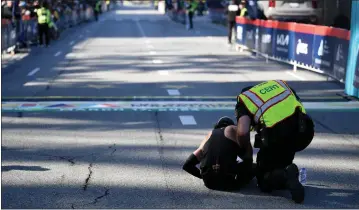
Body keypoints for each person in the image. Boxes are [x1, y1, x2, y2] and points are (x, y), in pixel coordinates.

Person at [234, 80, 314, 203]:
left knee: (264, 182)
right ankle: (286, 170)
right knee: (280, 160)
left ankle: (285, 175)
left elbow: (242, 132)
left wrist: (246, 155)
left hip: (278, 135)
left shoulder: (245, 99)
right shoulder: (279, 84)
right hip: (304, 130)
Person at [183, 116, 256, 191]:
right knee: (254, 167)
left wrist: (203, 176)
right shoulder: (233, 129)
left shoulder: (209, 135)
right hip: (228, 181)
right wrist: (248, 165)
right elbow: (247, 153)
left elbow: (187, 165)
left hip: (209, 183)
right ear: (231, 124)